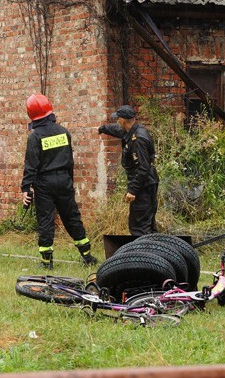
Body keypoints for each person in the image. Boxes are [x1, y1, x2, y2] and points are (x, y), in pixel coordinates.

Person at [21, 93, 97, 269]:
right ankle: (87, 256)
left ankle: (46, 262)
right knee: (72, 217)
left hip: (44, 183)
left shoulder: (34, 137)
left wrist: (26, 188)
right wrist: (69, 182)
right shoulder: (64, 132)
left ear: (31, 114)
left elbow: (31, 165)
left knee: (46, 220)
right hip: (64, 180)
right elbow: (70, 161)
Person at [98, 105, 159, 236]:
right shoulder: (130, 130)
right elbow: (115, 130)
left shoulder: (138, 140)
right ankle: (153, 247)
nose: (116, 122)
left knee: (139, 226)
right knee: (147, 223)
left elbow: (143, 168)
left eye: (117, 119)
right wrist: (101, 129)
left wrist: (132, 190)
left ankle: (143, 249)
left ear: (122, 120)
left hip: (144, 185)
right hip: (146, 182)